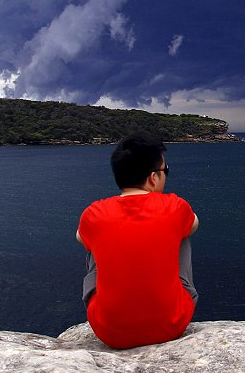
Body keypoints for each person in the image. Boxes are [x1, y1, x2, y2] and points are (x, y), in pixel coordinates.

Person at [76, 130, 199, 349]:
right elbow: (195, 224)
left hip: (110, 331)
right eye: (165, 171)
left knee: (93, 239)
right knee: (183, 233)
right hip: (171, 325)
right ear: (153, 178)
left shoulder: (94, 213)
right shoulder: (175, 207)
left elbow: (79, 237)